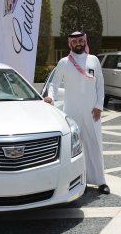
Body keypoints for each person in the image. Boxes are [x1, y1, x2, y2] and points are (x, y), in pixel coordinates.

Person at [45, 31, 109, 194]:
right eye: (75, 41)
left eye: (81, 40)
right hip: (72, 112)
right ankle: (82, 181)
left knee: (95, 145)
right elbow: (54, 84)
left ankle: (101, 181)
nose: (78, 43)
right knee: (76, 147)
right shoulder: (64, 62)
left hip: (92, 111)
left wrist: (99, 105)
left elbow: (100, 84)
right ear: (70, 44)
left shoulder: (93, 60)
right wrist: (50, 97)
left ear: (84, 41)